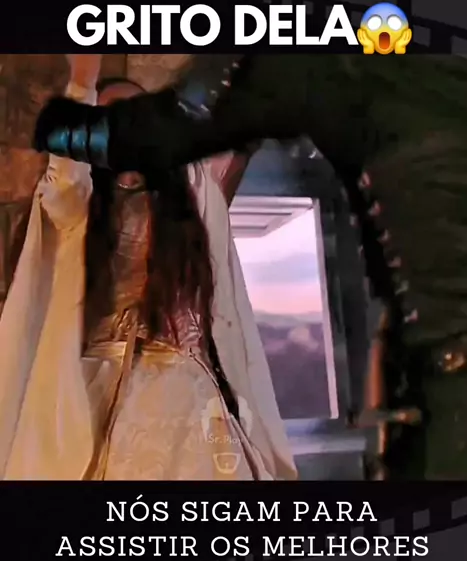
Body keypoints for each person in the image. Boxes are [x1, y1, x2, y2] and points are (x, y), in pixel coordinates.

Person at [0, 55, 296, 481]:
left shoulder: (192, 203)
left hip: (193, 401)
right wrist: (81, 83)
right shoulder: (80, 212)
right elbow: (65, 179)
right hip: (104, 400)